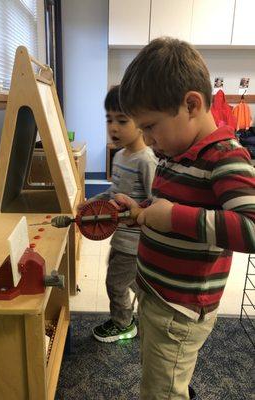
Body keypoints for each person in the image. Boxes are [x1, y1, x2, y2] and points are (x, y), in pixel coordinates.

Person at [114, 37, 255, 399]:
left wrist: (175, 217)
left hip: (179, 308)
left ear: (191, 104)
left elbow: (252, 227)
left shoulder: (226, 157)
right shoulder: (177, 152)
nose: (146, 138)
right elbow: (168, 203)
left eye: (151, 126)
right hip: (156, 292)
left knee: (159, 390)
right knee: (163, 374)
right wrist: (142, 210)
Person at [80, 85, 158, 343]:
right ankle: (149, 312)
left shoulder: (146, 160)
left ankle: (123, 323)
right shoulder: (120, 156)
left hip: (134, 241)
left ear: (141, 122)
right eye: (109, 120)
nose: (113, 127)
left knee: (115, 283)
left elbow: (154, 202)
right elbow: (114, 193)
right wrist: (90, 203)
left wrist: (135, 211)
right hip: (119, 237)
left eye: (122, 121)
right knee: (128, 278)